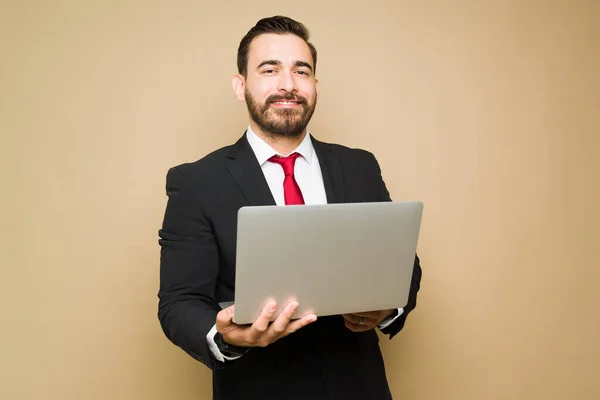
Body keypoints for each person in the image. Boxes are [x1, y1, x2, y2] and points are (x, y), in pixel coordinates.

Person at [157, 15, 422, 400]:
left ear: (315, 86)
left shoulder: (359, 166)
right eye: (270, 69)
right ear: (240, 84)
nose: (288, 84)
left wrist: (388, 309)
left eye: (301, 71)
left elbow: (400, 266)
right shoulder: (196, 182)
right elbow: (180, 302)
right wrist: (225, 336)